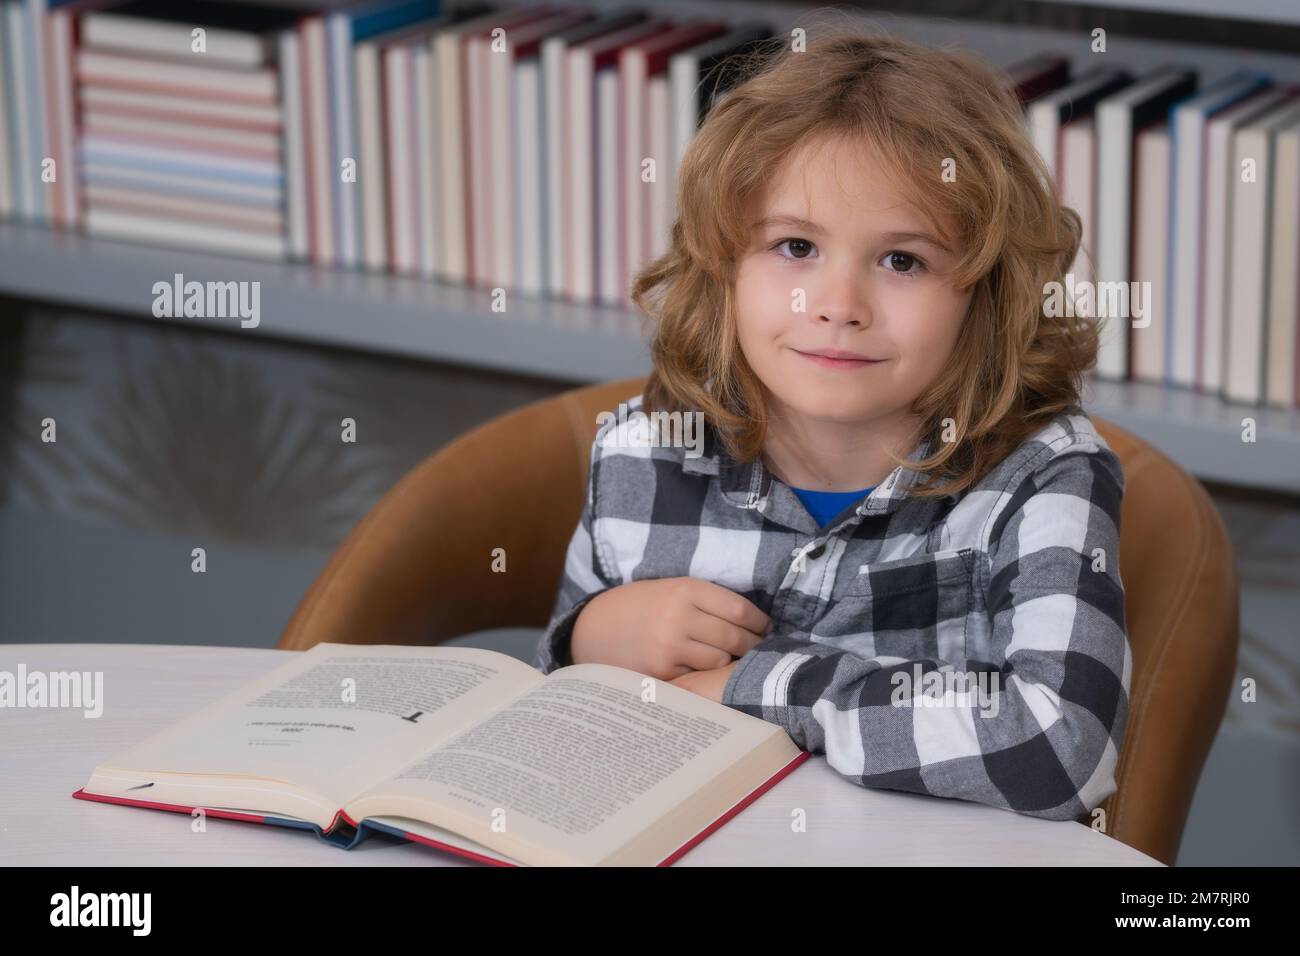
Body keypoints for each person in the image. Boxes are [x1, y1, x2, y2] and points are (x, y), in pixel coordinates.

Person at [533, 26, 1129, 823]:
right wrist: (587, 641)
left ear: (989, 291)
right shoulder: (645, 451)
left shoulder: (1043, 476)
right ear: (724, 266)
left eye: (902, 261)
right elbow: (551, 737)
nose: (838, 307)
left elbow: (1061, 752)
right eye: (795, 246)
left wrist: (764, 686)